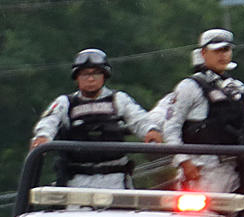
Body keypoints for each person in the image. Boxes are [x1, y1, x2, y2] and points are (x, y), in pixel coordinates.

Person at [158, 29, 244, 197]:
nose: (223, 55)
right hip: (202, 171)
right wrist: (183, 161)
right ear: (204, 53)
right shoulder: (189, 87)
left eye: (226, 50)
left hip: (240, 170)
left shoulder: (237, 87)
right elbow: (171, 128)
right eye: (217, 50)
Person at [29, 49, 163, 187]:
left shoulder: (119, 99)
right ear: (77, 77)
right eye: (85, 74)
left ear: (105, 75)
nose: (91, 79)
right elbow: (49, 121)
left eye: (96, 73)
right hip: (76, 182)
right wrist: (43, 137)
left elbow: (139, 118)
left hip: (116, 180)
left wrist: (150, 131)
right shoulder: (65, 103)